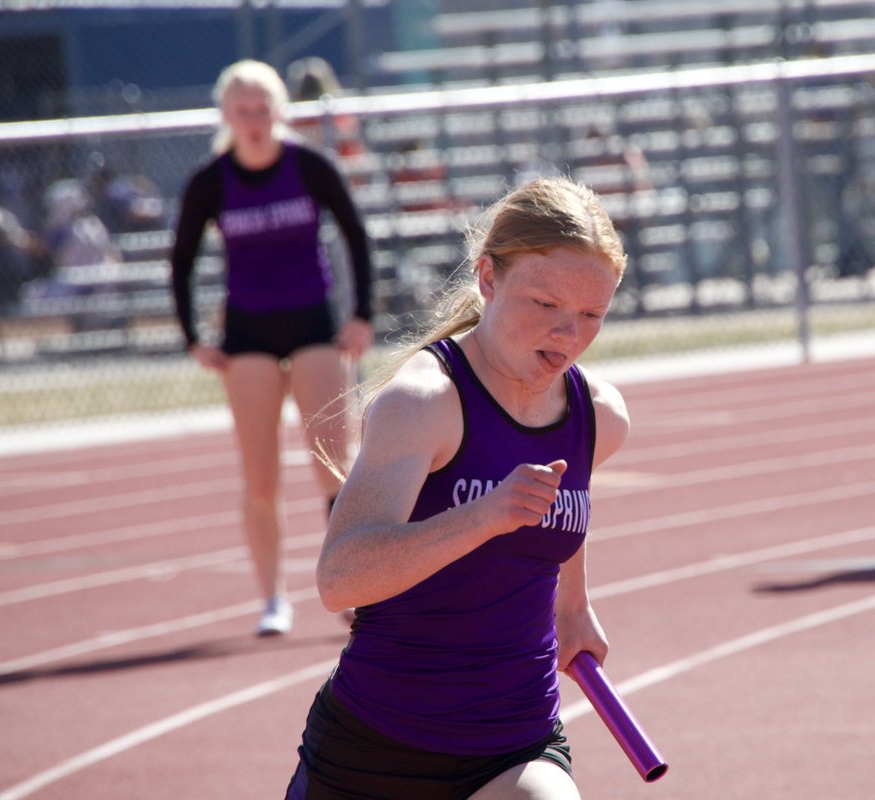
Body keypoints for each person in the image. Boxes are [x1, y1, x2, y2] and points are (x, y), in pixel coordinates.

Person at [285, 176, 630, 800]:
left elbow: (558, 507)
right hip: (376, 750)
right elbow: (340, 578)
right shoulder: (424, 402)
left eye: (591, 315)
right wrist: (484, 516)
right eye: (545, 306)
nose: (568, 336)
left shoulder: (598, 416)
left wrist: (573, 607)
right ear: (489, 278)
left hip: (516, 740)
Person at [169, 59, 375, 636]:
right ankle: (272, 600)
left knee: (336, 468)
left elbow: (356, 234)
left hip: (314, 327)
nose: (255, 121)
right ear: (226, 115)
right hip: (248, 337)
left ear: (280, 111)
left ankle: (353, 589)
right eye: (243, 111)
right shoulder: (211, 181)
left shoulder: (309, 166)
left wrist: (361, 317)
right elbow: (182, 259)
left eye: (263, 109)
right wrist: (193, 338)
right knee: (260, 479)